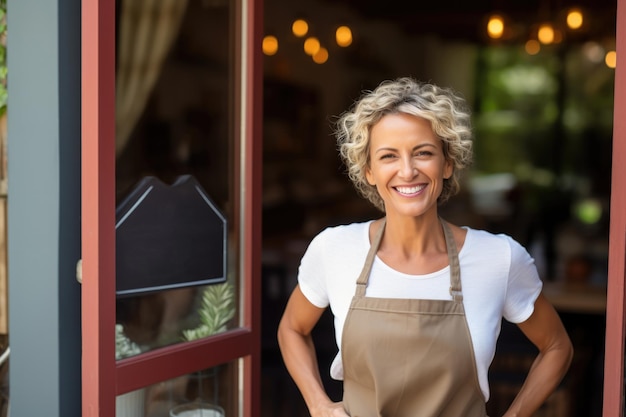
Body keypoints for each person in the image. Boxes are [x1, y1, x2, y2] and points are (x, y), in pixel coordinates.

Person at [277, 77, 573, 417]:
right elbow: (292, 329)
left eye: (424, 153)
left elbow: (556, 346)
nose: (407, 171)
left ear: (447, 164)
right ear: (369, 171)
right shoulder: (335, 249)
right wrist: (318, 404)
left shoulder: (498, 258)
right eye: (389, 156)